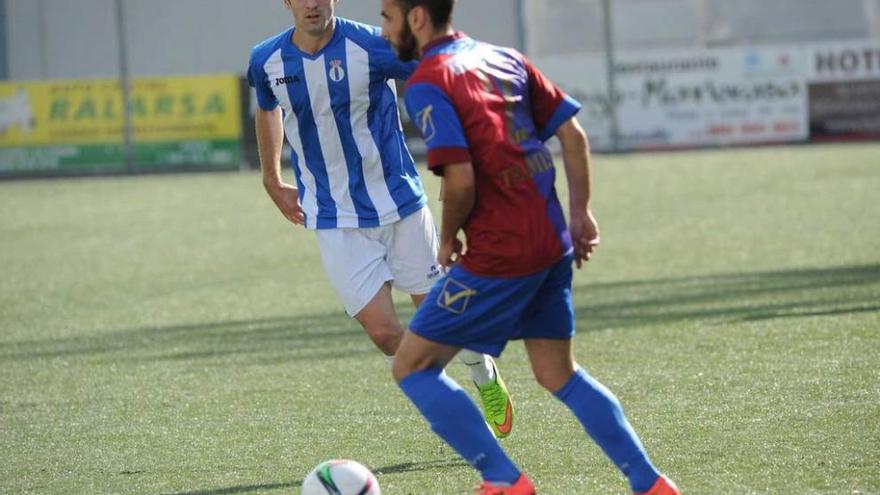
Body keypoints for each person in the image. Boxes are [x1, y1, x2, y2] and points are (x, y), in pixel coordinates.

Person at [379, 0, 682, 493]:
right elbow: (573, 133)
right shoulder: (504, 57)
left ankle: (502, 478)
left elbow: (460, 181)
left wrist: (450, 235)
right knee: (558, 373)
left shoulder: (428, 82)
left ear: (416, 18)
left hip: (501, 254)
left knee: (411, 366)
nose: (386, 32)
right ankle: (650, 483)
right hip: (550, 242)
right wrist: (580, 213)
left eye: (388, 19)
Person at [246, 0, 516, 438]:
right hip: (333, 219)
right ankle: (457, 419)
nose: (312, 4)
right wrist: (272, 178)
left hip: (400, 206)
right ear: (287, 2)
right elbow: (267, 105)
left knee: (439, 321)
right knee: (386, 335)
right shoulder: (267, 59)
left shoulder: (373, 45)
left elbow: (438, 76)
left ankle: (482, 374)